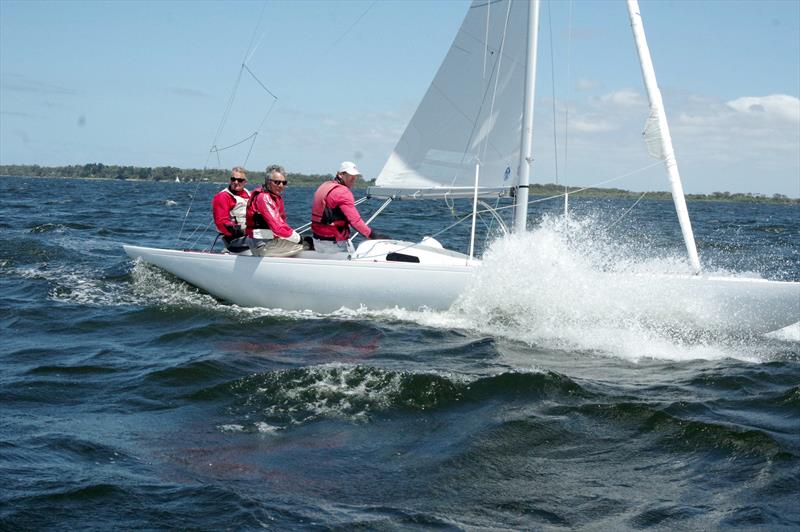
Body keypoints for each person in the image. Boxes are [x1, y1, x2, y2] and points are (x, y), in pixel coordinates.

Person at [310, 161, 389, 253]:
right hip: (334, 244)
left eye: (355, 176)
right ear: (340, 175)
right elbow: (355, 221)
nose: (353, 179)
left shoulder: (324, 186)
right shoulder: (343, 192)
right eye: (350, 176)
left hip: (318, 240)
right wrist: (373, 235)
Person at [245, 164, 304, 257]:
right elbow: (277, 227)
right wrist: (299, 239)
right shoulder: (264, 198)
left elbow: (282, 224)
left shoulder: (274, 197)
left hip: (267, 242)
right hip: (262, 246)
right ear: (268, 182)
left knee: (301, 244)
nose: (281, 185)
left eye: (283, 183)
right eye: (277, 182)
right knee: (305, 247)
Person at [212, 166, 251, 253]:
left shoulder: (248, 194)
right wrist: (240, 231)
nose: (236, 182)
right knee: (263, 242)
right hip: (234, 239)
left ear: (245, 182)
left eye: (240, 180)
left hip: (251, 235)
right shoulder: (223, 196)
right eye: (233, 179)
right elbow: (221, 222)